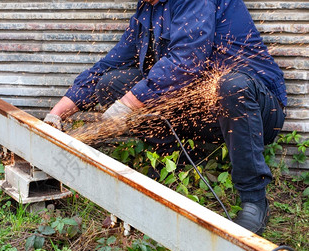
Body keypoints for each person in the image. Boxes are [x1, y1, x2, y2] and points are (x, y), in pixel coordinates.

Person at [43, 0, 286, 235]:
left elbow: (186, 61)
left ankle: (254, 200)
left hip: (253, 107)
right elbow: (108, 65)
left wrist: (126, 106)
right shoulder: (147, 9)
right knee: (112, 83)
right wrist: (57, 114)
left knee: (231, 86)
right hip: (199, 106)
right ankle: (172, 162)